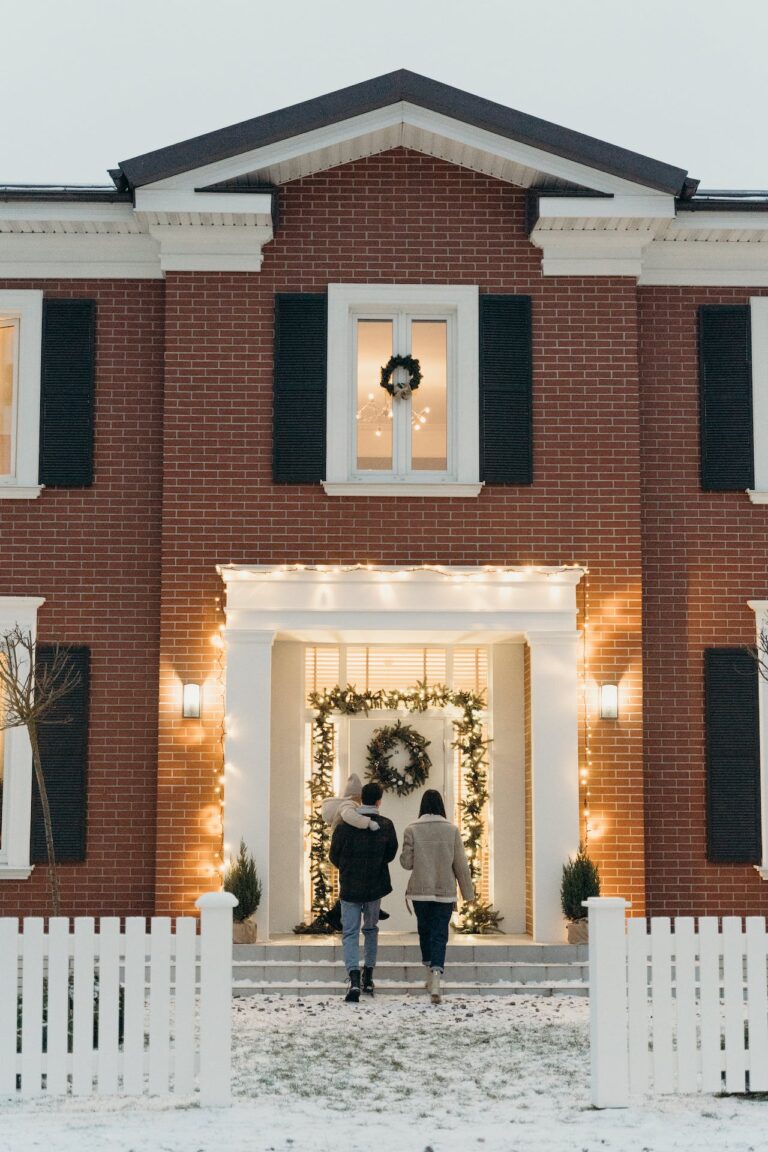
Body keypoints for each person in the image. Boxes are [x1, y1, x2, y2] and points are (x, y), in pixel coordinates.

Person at [399, 788, 474, 1004]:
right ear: (441, 806)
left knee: (424, 931)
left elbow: (406, 863)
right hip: (445, 891)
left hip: (420, 892)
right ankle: (436, 978)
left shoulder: (412, 829)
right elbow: (461, 864)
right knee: (440, 933)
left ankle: (428, 973)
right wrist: (467, 893)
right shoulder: (451, 830)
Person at [329, 780, 398, 1002]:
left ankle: (354, 978)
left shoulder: (343, 826)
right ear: (379, 801)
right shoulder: (386, 825)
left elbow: (334, 856)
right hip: (374, 887)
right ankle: (368, 976)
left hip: (350, 887)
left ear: (360, 799)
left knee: (349, 933)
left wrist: (348, 868)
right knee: (370, 929)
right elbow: (390, 854)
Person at [321, 773, 390, 927]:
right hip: (346, 851)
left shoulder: (349, 807)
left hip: (345, 856)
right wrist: (369, 823)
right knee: (355, 890)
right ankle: (335, 914)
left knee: (351, 889)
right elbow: (352, 818)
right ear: (357, 796)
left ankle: (336, 914)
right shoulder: (348, 807)